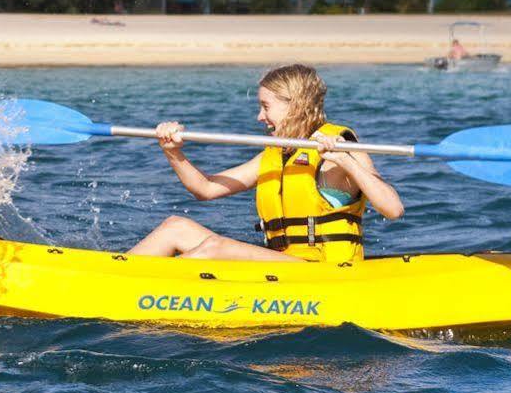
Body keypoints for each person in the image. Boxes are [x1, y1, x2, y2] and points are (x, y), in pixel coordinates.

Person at [128, 63, 403, 263]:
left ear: (296, 105)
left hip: (326, 272)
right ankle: (113, 275)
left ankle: (147, 292)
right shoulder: (274, 155)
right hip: (283, 266)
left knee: (215, 248)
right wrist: (173, 153)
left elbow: (393, 209)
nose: (260, 116)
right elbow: (205, 189)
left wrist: (346, 160)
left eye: (266, 106)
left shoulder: (342, 147)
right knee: (176, 227)